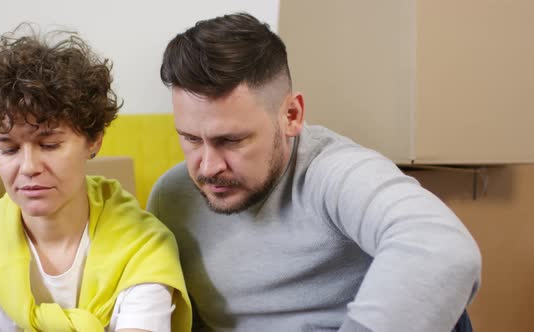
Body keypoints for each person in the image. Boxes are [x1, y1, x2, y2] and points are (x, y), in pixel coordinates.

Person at [148, 12, 481, 332]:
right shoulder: (172, 197)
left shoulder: (335, 173)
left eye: (232, 140)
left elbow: (443, 251)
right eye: (191, 139)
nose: (207, 167)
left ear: (291, 115)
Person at [0, 26, 191, 332]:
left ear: (94, 140)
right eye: (9, 148)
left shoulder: (143, 249)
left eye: (49, 145)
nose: (29, 167)